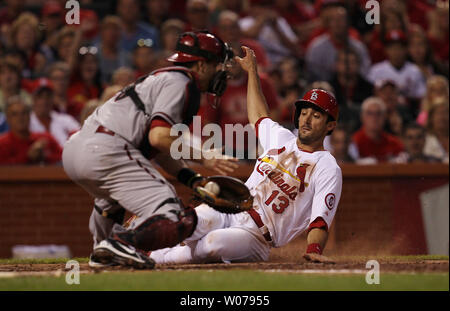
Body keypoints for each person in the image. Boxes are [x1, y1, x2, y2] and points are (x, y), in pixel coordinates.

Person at [62, 31, 239, 269]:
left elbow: (159, 148)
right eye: (217, 64)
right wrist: (204, 157)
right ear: (201, 64)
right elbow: (159, 138)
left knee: (112, 198)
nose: (221, 71)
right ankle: (121, 243)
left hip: (79, 150)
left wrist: (193, 179)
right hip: (108, 150)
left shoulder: (165, 78)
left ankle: (104, 250)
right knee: (174, 215)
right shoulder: (183, 83)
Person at [150, 46, 342, 265]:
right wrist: (252, 72)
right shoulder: (281, 138)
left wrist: (314, 248)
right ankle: (132, 246)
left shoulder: (327, 166)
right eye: (304, 113)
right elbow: (259, 115)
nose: (306, 120)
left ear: (330, 125)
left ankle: (159, 257)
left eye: (316, 116)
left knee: (212, 243)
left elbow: (320, 218)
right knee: (191, 221)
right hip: (231, 208)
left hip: (257, 237)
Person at [305, 4, 371, 83]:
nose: (337, 23)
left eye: (341, 19)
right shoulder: (317, 47)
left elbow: (365, 71)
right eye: (334, 20)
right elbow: (312, 74)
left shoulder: (358, 47)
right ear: (328, 23)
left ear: (348, 23)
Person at [0, 95, 62, 165]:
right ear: (8, 119)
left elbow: (63, 158)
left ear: (30, 116)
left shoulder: (46, 138)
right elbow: (3, 167)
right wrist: (27, 157)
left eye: (24, 113)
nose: (20, 118)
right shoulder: (2, 143)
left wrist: (45, 157)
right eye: (15, 114)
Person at [29, 78, 80, 148]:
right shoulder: (26, 122)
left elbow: (81, 138)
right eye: (40, 97)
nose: (44, 101)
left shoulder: (66, 120)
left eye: (48, 97)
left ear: (53, 98)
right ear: (33, 99)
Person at [352, 97, 404, 163]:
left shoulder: (394, 143)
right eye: (370, 113)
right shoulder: (354, 142)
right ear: (362, 117)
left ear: (385, 117)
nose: (374, 117)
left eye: (379, 113)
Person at [424, 99, 449, 163]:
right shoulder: (424, 139)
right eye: (439, 113)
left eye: (446, 113)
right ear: (431, 118)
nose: (442, 117)